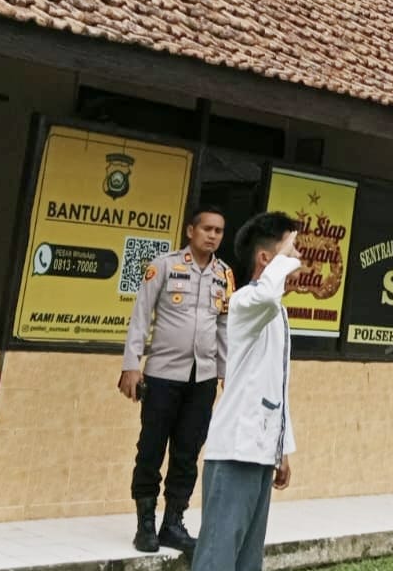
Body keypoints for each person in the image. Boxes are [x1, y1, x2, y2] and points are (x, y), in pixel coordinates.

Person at [120, 204, 235, 554]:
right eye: (207, 229)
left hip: (201, 380)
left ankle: (173, 523)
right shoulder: (165, 266)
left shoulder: (224, 274)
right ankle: (145, 525)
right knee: (151, 448)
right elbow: (141, 316)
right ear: (191, 231)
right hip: (162, 375)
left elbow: (224, 326)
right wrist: (131, 365)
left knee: (187, 452)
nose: (213, 235)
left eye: (218, 231)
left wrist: (226, 374)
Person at [191, 211, 302, 571]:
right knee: (217, 557)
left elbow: (276, 384)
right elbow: (267, 296)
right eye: (291, 251)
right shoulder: (246, 303)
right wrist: (282, 254)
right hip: (235, 452)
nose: (298, 260)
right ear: (265, 260)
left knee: (247, 560)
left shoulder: (276, 312)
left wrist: (281, 448)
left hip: (260, 452)